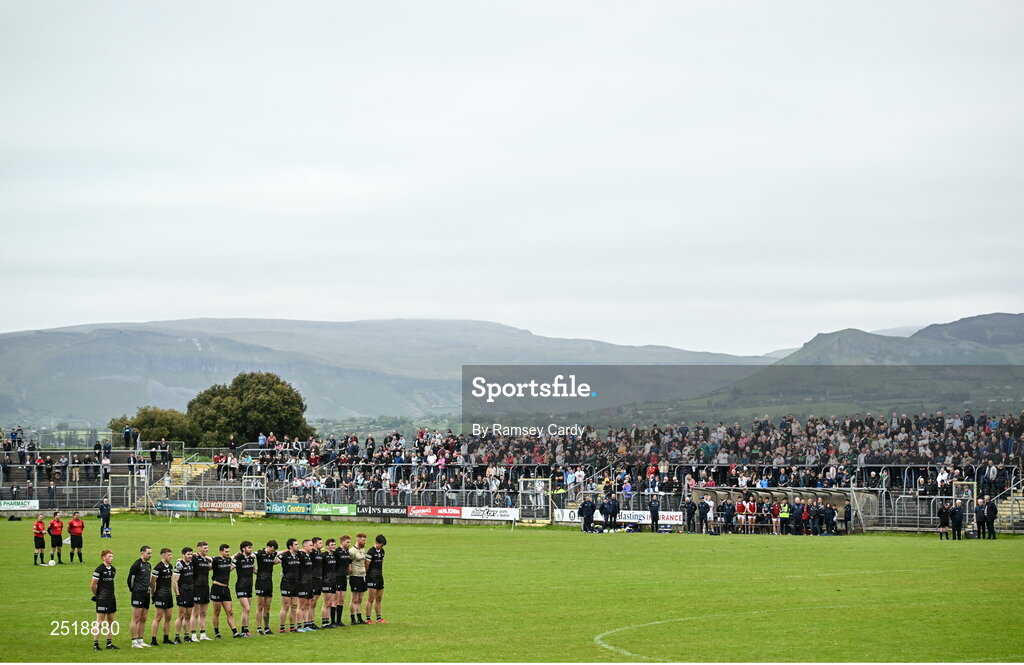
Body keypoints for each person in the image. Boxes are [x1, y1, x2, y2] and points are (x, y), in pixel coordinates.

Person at [91, 548, 118, 651]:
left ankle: (109, 643)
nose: (111, 558)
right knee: (100, 622)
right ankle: (96, 644)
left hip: (111, 597)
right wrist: (98, 595)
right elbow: (93, 585)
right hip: (102, 598)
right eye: (109, 556)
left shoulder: (113, 569)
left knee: (111, 620)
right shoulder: (99, 570)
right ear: (103, 557)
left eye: (112, 556)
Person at [127, 545, 153, 648]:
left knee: (144, 618)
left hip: (146, 593)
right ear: (142, 553)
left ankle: (140, 640)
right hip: (138, 593)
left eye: (151, 553)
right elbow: (130, 579)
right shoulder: (136, 565)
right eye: (148, 553)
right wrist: (133, 590)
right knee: (136, 618)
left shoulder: (148, 565)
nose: (150, 555)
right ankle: (134, 641)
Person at [211, 544, 238, 638]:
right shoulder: (216, 560)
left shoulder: (228, 560)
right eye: (226, 551)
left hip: (226, 589)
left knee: (230, 612)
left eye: (228, 551)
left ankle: (235, 632)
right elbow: (207, 558)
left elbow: (234, 556)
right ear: (221, 551)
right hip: (216, 588)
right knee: (217, 612)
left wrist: (238, 554)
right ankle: (217, 633)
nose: (227, 553)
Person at [150, 547, 175, 645]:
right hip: (160, 595)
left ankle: (166, 638)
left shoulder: (170, 566)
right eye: (169, 555)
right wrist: (153, 595)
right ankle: (153, 639)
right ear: (163, 555)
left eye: (171, 555)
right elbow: (152, 583)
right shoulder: (158, 567)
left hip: (169, 595)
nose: (171, 557)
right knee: (158, 617)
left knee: (168, 617)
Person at [255, 540, 279, 635]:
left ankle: (267, 627)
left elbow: (281, 552)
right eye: (272, 550)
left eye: (274, 551)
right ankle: (258, 628)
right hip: (260, 581)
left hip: (269, 582)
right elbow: (251, 555)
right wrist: (254, 570)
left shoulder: (273, 554)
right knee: (260, 606)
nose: (273, 552)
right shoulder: (260, 553)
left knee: (267, 607)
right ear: (268, 546)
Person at [233, 540, 256, 637]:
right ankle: (244, 630)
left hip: (249, 586)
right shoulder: (238, 558)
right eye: (249, 548)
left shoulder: (251, 559)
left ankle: (245, 630)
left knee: (247, 609)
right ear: (243, 549)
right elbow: (230, 567)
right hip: (241, 586)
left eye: (251, 547)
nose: (251, 549)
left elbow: (254, 570)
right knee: (246, 608)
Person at [172, 547, 195, 643]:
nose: (190, 556)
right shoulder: (179, 564)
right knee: (181, 615)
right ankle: (177, 637)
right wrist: (178, 594)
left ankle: (186, 636)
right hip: (183, 592)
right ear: (183, 555)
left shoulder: (192, 563)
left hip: (191, 591)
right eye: (188, 554)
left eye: (191, 554)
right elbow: (174, 581)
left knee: (188, 615)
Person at [191, 541, 213, 640]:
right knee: (195, 612)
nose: (206, 550)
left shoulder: (205, 560)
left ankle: (203, 634)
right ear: (199, 548)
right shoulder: (195, 558)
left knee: (203, 612)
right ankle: (193, 634)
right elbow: (183, 559)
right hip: (196, 587)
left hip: (205, 587)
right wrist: (192, 555)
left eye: (207, 548)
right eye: (204, 548)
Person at [278, 538, 300, 633]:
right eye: (295, 545)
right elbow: (275, 559)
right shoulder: (285, 556)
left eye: (297, 544)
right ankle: (282, 628)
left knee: (294, 605)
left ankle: (292, 627)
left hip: (296, 583)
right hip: (286, 583)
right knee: (286, 606)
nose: (297, 546)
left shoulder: (298, 555)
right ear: (290, 546)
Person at [365, 534, 388, 623]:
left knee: (379, 598)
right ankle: (368, 619)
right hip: (372, 577)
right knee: (370, 599)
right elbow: (366, 565)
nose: (382, 547)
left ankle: (379, 618)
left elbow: (381, 562)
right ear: (377, 543)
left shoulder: (382, 551)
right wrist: (369, 576)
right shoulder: (370, 552)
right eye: (381, 545)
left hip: (380, 577)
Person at [348, 533, 369, 625]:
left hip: (362, 576)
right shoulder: (352, 551)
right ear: (358, 540)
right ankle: (353, 618)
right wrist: (350, 572)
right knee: (354, 598)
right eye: (363, 540)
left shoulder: (363, 550)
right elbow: (348, 564)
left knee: (360, 598)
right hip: (355, 576)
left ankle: (360, 618)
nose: (365, 542)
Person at [295, 539, 315, 632]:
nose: (312, 547)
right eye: (310, 545)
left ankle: (306, 625)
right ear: (305, 546)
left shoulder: (308, 556)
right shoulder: (300, 555)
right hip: (302, 583)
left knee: (308, 604)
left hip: (309, 583)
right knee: (301, 606)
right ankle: (299, 626)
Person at [320, 538, 339, 628]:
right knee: (326, 602)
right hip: (326, 581)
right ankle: (324, 622)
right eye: (332, 545)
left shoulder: (334, 555)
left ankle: (328, 621)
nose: (334, 546)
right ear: (327, 546)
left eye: (335, 544)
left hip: (333, 581)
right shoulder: (323, 556)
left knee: (332, 602)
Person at [308, 537, 325, 631]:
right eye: (319, 543)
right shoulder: (312, 553)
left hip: (319, 579)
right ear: (314, 544)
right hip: (313, 579)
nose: (321, 545)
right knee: (312, 602)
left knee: (315, 602)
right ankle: (309, 622)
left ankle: (312, 621)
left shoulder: (319, 553)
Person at [335, 535, 352, 626]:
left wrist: (349, 571)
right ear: (342, 541)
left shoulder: (347, 552)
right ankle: (333, 621)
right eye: (347, 542)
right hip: (337, 577)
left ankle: (339, 620)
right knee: (336, 600)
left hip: (344, 578)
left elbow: (349, 563)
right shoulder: (337, 551)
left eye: (349, 542)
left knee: (342, 600)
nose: (349, 544)